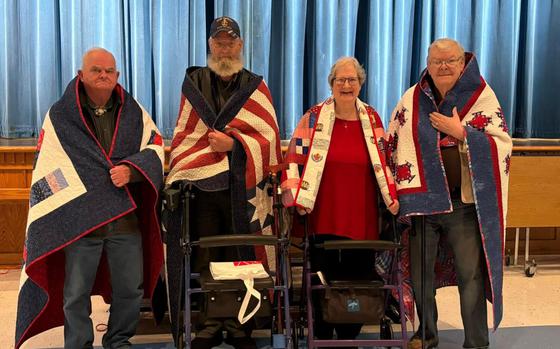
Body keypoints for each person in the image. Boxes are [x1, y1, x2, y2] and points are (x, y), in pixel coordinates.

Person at [15, 48, 165, 349]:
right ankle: (79, 344)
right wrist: (80, 187)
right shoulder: (60, 115)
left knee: (130, 290)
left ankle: (118, 340)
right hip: (79, 222)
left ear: (118, 76)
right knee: (75, 293)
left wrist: (131, 170)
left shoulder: (133, 112)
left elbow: (155, 148)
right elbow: (49, 166)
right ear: (81, 75)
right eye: (96, 70)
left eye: (109, 71)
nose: (104, 75)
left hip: (124, 221)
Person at [386, 38, 512, 349]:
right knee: (421, 277)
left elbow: (502, 145)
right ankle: (426, 334)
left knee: (471, 278)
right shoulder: (411, 99)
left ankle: (476, 342)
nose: (443, 66)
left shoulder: (481, 96)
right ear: (427, 64)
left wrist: (462, 134)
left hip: (464, 205)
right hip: (422, 205)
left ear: (463, 63)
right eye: (437, 61)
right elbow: (393, 142)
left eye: (450, 61)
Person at [165, 16, 282, 349]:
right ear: (210, 45)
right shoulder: (194, 82)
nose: (225, 46)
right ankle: (211, 323)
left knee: (240, 255)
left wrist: (235, 145)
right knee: (207, 256)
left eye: (231, 41)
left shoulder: (255, 85)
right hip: (202, 190)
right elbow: (186, 134)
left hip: (240, 188)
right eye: (219, 41)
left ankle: (240, 324)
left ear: (241, 45)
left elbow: (269, 135)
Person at [281, 56, 399, 341]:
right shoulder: (313, 117)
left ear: (361, 84)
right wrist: (295, 198)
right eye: (340, 80)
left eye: (352, 80)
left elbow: (386, 164)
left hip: (362, 218)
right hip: (324, 216)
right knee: (324, 280)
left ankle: (348, 335)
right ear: (331, 84)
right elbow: (293, 160)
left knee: (358, 280)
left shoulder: (372, 118)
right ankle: (321, 336)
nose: (346, 85)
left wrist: (393, 200)